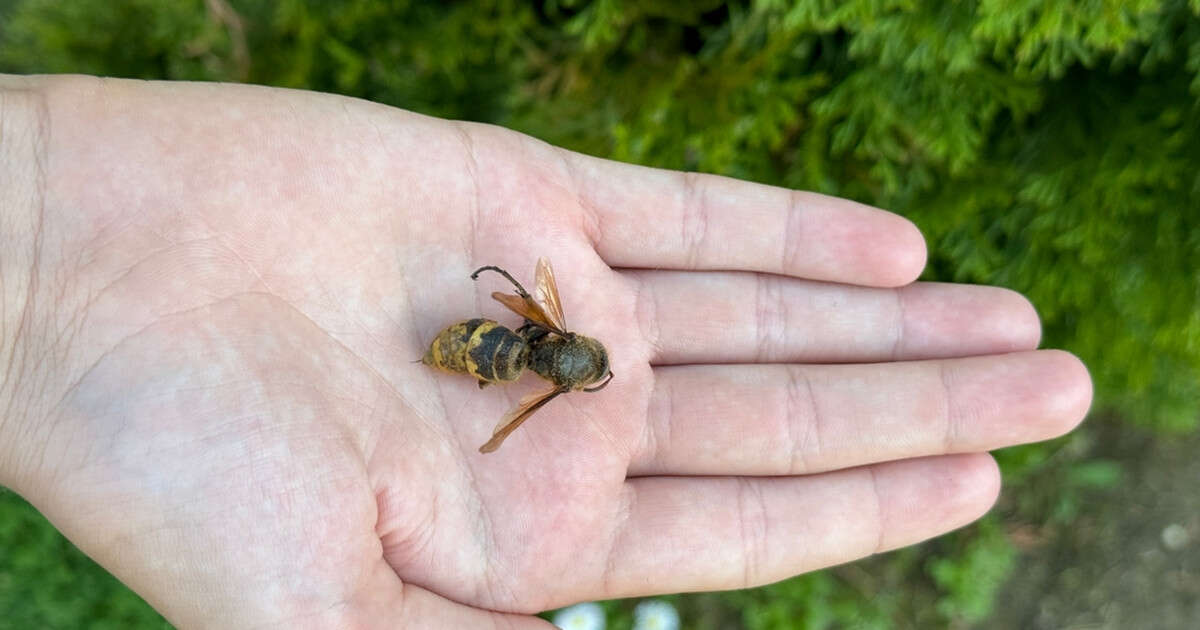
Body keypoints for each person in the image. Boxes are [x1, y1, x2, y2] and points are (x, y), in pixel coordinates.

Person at [0, 75, 1092, 629]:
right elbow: (524, 322)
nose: (585, 368)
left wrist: (52, 246)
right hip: (475, 349)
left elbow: (526, 316)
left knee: (492, 345)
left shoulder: (549, 348)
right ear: (562, 354)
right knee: (489, 346)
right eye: (580, 363)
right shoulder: (550, 361)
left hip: (481, 348)